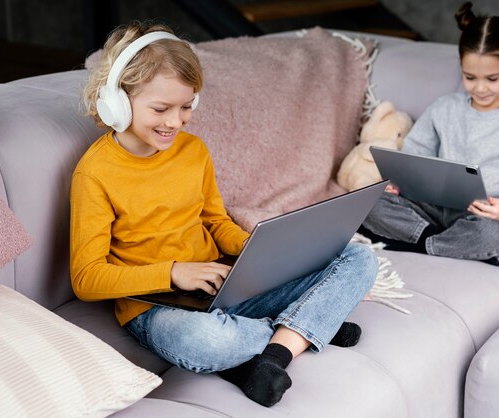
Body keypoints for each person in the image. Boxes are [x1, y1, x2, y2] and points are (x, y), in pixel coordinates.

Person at [70, 21, 378, 408]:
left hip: (223, 285)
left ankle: (282, 346)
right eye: (161, 108)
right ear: (116, 100)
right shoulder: (95, 173)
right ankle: (304, 328)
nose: (175, 122)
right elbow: (85, 278)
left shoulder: (192, 150)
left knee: (357, 256)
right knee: (209, 341)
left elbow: (215, 222)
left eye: (186, 107)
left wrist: (256, 248)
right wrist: (174, 272)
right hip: (156, 308)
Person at [359, 2, 499, 266]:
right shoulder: (444, 107)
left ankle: (414, 242)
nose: (480, 88)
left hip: (477, 215)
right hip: (429, 204)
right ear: (461, 67)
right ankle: (439, 244)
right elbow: (416, 151)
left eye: (492, 79)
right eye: (470, 77)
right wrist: (401, 181)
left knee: (493, 237)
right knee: (370, 199)